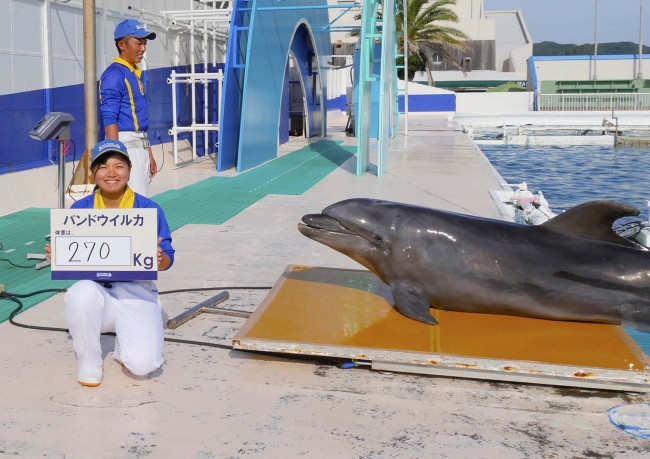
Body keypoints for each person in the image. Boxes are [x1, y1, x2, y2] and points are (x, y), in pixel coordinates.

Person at [45, 139, 174, 387]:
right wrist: (60, 256)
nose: (111, 173)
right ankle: (89, 362)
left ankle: (124, 346)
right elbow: (75, 256)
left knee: (143, 366)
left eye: (119, 166)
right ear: (93, 173)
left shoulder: (149, 209)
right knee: (79, 293)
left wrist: (159, 258)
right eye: (103, 167)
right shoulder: (80, 209)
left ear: (129, 170)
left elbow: (168, 257)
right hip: (96, 291)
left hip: (136, 290)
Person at [99, 19, 157, 197]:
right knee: (131, 205)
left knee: (138, 201)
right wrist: (115, 158)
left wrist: (149, 152)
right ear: (122, 44)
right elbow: (109, 118)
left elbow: (139, 122)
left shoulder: (132, 73)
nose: (143, 48)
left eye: (145, 43)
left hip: (138, 147)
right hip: (126, 148)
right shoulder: (115, 74)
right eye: (138, 43)